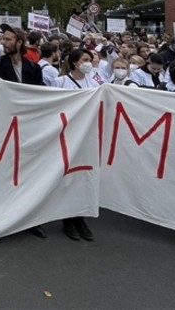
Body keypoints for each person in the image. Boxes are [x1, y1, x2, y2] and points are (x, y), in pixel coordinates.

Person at [0, 24, 46, 239]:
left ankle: (29, 219)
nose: (3, 42)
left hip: (26, 129)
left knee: (26, 174)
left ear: (19, 42)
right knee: (0, 174)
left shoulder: (33, 68)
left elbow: (40, 97)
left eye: (8, 39)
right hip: (1, 129)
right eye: (3, 39)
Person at [51, 47, 100, 242]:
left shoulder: (95, 81)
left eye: (90, 58)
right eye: (85, 59)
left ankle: (80, 217)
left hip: (88, 137)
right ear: (74, 62)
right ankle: (67, 219)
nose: (89, 62)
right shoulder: (60, 82)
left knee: (83, 178)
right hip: (67, 136)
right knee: (67, 178)